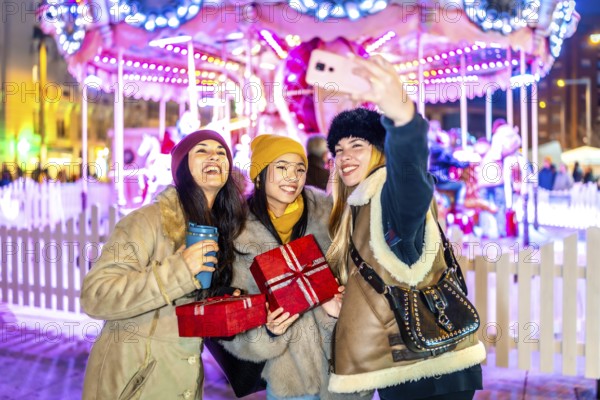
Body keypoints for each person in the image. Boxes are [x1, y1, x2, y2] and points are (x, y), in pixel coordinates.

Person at [325, 56, 485, 399]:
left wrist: (402, 117)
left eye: (357, 145)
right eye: (338, 149)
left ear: (382, 152)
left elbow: (411, 178)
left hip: (428, 370)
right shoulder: (357, 206)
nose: (345, 156)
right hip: (409, 360)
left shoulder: (389, 195)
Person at [80, 130, 247, 399]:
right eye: (202, 150)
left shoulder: (221, 228)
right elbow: (96, 295)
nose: (214, 156)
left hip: (184, 382)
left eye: (220, 152)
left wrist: (221, 302)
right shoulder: (147, 221)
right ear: (182, 167)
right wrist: (180, 268)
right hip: (134, 383)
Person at [222, 134, 349, 400]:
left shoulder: (328, 218)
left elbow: (357, 278)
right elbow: (231, 320)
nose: (293, 176)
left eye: (299, 169)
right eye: (281, 167)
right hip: (289, 381)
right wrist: (268, 330)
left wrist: (340, 306)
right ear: (259, 173)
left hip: (343, 371)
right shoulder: (236, 234)